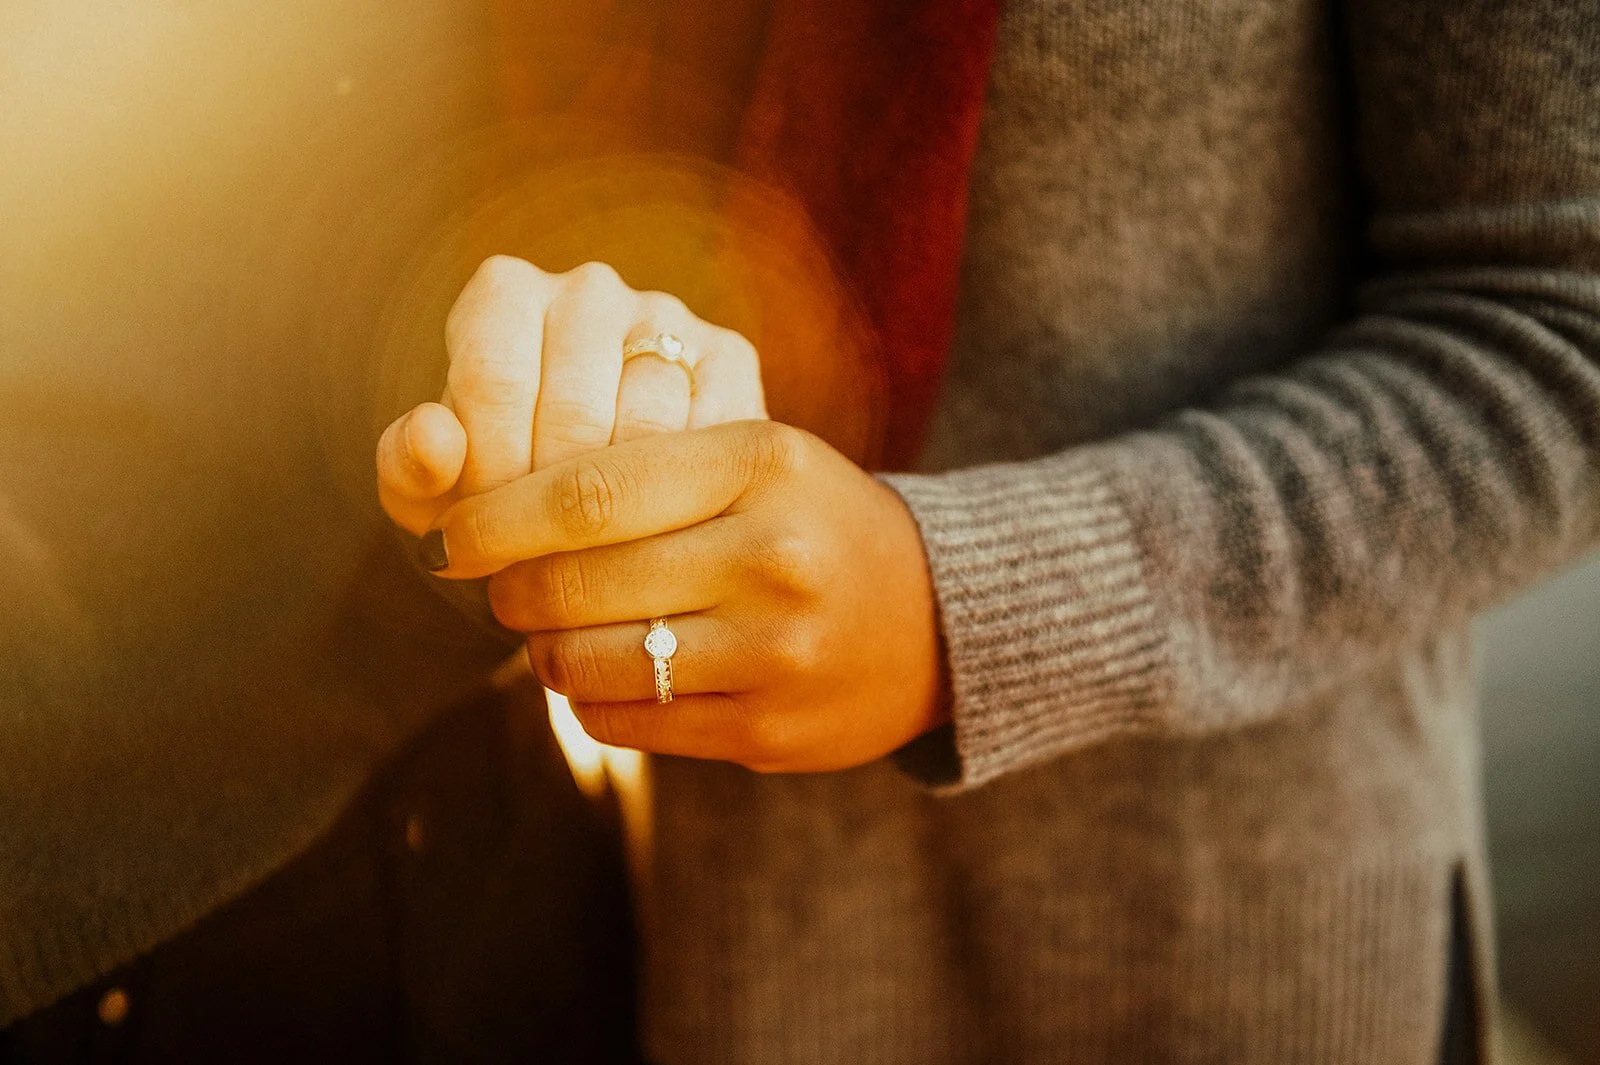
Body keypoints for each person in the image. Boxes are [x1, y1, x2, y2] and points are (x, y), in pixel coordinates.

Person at [374, 0, 1600, 1062]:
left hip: (1226, 966)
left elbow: (1561, 325)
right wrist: (520, 394)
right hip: (705, 955)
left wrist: (958, 609)